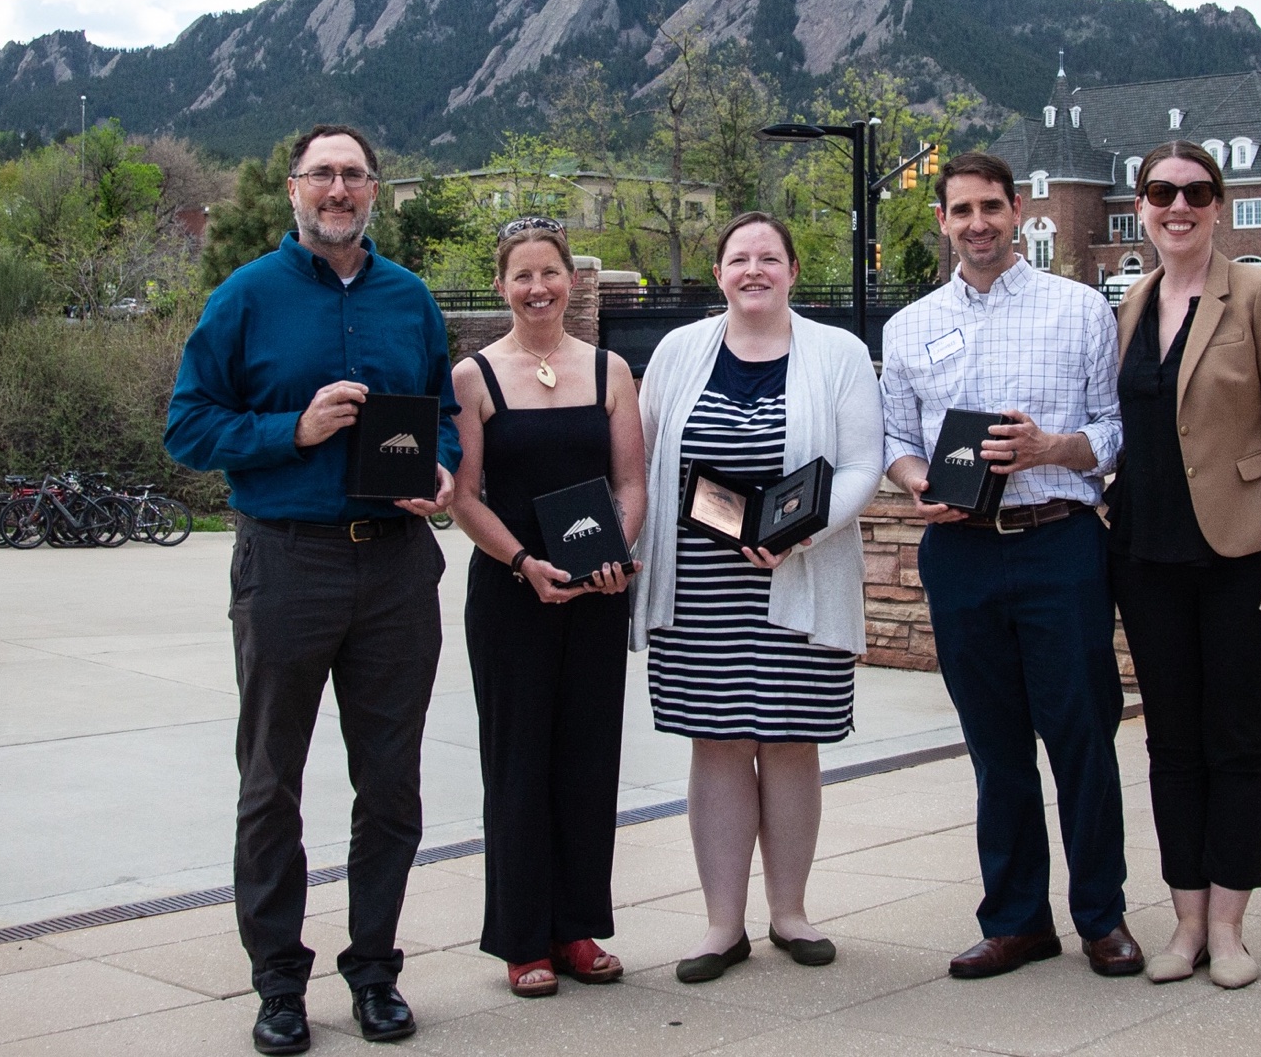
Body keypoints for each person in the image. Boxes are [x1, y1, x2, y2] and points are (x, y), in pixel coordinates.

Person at [165, 124, 458, 1055]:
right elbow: (188, 426)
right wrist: (289, 431)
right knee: (270, 782)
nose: (339, 188)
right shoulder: (244, 298)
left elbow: (441, 420)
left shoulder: (409, 300)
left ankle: (374, 971)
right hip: (286, 561)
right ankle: (278, 982)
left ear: (375, 190)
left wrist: (442, 473)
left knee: (391, 784)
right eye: (322, 174)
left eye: (354, 174)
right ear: (293, 188)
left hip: (396, 567)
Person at [878, 151, 1140, 981]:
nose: (978, 223)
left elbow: (1114, 430)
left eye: (991, 206)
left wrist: (1052, 447)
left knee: (1081, 739)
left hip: (1059, 542)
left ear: (1017, 210)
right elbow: (895, 440)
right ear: (942, 221)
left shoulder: (1079, 310)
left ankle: (1102, 916)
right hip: (959, 557)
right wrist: (919, 483)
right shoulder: (909, 325)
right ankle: (1016, 920)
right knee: (994, 748)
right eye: (961, 210)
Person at [635, 212, 883, 983]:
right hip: (700, 590)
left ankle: (789, 912)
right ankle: (719, 925)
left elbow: (860, 463)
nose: (753, 270)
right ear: (717, 274)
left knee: (787, 742)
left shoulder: (837, 353)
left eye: (768, 257)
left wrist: (802, 531)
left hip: (797, 579)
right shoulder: (677, 351)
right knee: (715, 744)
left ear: (792, 270)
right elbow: (646, 459)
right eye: (738, 258)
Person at [1107, 142, 1261, 990]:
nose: (1178, 205)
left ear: (1218, 204)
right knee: (1170, 744)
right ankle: (1185, 920)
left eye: (1195, 192)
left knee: (1239, 740)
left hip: (1243, 556)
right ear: (1142, 204)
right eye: (1162, 192)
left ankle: (1230, 925)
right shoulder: (1131, 302)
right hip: (1145, 555)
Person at [447, 218, 646, 998]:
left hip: (596, 594)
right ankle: (523, 938)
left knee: (589, 764)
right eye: (522, 276)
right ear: (501, 286)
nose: (538, 289)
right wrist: (525, 562)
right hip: (511, 593)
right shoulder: (474, 379)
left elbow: (630, 483)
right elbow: (462, 496)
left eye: (550, 274)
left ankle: (576, 928)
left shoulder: (609, 371)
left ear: (572, 281)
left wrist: (611, 555)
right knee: (519, 765)